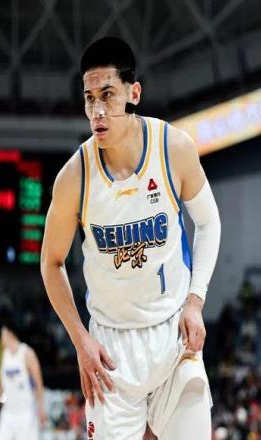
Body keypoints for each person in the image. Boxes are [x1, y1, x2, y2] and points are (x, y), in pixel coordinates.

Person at [41, 37, 221, 439]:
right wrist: (80, 340)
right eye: (89, 99)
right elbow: (50, 263)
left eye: (107, 95)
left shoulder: (173, 148)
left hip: (173, 333)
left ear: (133, 93)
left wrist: (196, 301)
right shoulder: (74, 177)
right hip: (111, 350)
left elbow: (209, 223)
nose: (97, 111)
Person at [0, 321, 47, 440]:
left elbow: (39, 383)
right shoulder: (5, 354)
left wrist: (41, 408)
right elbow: (1, 383)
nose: (1, 339)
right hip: (8, 411)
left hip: (25, 412)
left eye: (2, 335)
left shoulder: (27, 353)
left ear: (9, 334)